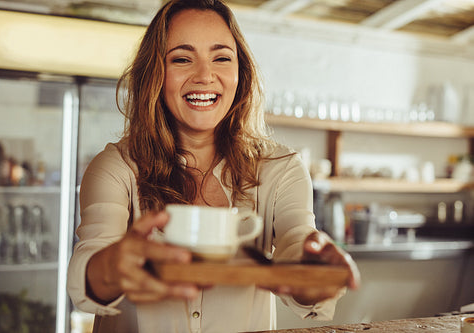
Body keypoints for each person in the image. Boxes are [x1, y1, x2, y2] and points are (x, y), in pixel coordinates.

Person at [67, 0, 360, 332]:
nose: (205, 76)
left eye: (221, 58)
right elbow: (87, 271)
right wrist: (112, 267)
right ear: (155, 74)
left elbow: (297, 243)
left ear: (240, 72)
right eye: (181, 58)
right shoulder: (116, 167)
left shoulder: (282, 169)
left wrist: (315, 273)